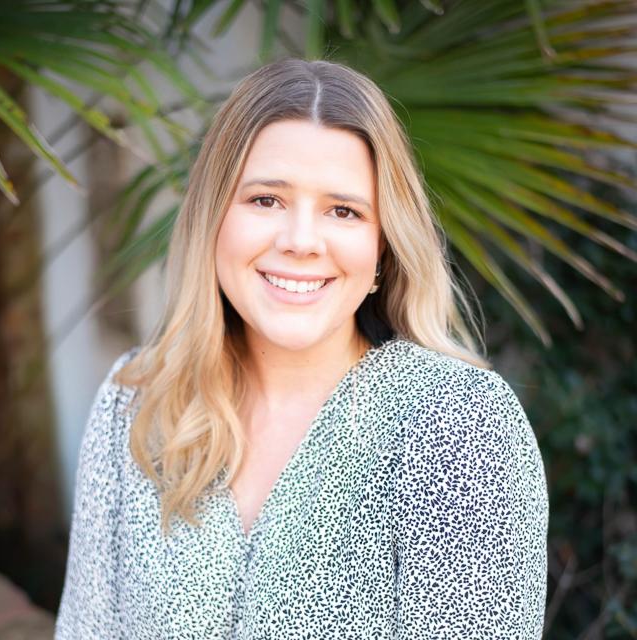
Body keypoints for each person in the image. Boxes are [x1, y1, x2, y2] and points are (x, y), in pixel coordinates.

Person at [55, 57, 549, 639]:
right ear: (214, 219)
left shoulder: (456, 423)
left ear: (381, 249)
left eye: (343, 211)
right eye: (266, 200)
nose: (300, 242)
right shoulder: (134, 403)